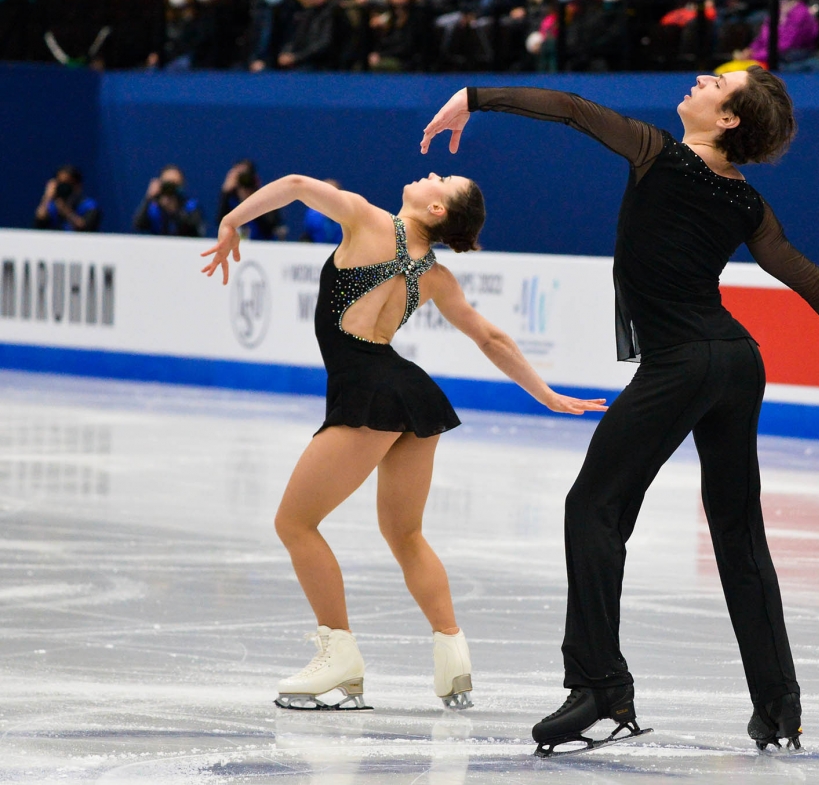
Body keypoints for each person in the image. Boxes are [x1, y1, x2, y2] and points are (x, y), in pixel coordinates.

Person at [420, 74, 819, 752]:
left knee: (594, 505)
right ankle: (779, 705)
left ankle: (600, 687)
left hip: (685, 361)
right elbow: (803, 273)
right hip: (735, 362)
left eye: (717, 83)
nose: (701, 78)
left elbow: (574, 110)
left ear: (728, 118)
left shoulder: (659, 152)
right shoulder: (745, 200)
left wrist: (473, 97)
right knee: (738, 534)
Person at [200, 171, 607, 710]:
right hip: (411, 393)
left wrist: (231, 220)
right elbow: (489, 336)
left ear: (437, 208)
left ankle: (338, 654)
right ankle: (451, 652)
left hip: (370, 392)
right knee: (406, 534)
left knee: (294, 523)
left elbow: (297, 183)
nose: (429, 173)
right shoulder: (434, 275)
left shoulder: (365, 219)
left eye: (441, 179)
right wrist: (547, 394)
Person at [217, 160, 287, 241]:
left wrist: (252, 200)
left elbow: (270, 226)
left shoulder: (266, 197)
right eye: (240, 176)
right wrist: (225, 193)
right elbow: (221, 223)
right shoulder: (230, 199)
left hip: (262, 245)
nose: (244, 180)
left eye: (246, 175)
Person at [133, 165, 205, 237]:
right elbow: (138, 225)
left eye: (174, 184)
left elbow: (198, 230)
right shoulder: (153, 207)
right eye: (167, 184)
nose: (170, 189)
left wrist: (175, 211)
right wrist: (148, 198)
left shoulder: (190, 206)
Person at [34, 165, 101, 232]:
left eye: (67, 184)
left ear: (77, 186)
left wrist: (66, 212)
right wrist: (47, 197)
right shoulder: (51, 207)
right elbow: (39, 223)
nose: (64, 188)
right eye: (60, 183)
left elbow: (86, 228)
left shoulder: (88, 206)